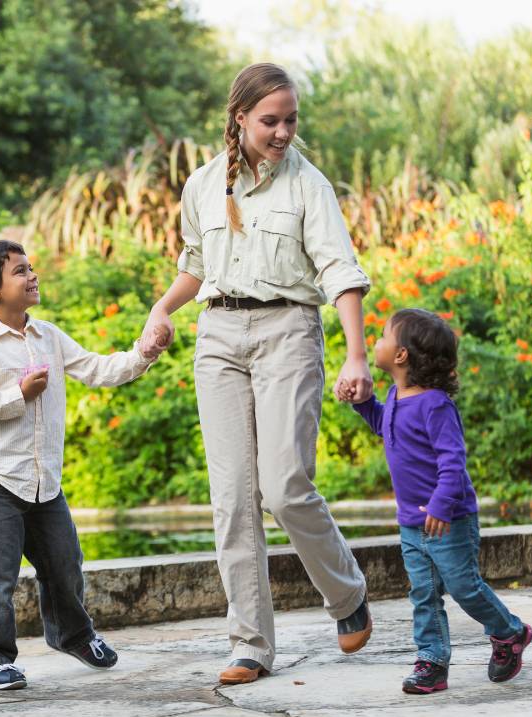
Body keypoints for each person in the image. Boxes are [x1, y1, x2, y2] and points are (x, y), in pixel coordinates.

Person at [140, 62, 374, 685]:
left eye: (290, 119)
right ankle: (250, 643)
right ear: (240, 118)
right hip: (217, 336)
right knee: (233, 500)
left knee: (286, 486)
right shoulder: (202, 185)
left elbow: (340, 271)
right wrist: (162, 311)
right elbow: (195, 265)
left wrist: (356, 354)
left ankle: (346, 594)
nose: (282, 132)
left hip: (287, 332)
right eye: (270, 120)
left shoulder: (308, 185)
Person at [0, 240, 164, 690]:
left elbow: (99, 369)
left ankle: (73, 635)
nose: (33, 276)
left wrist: (145, 351)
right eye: (20, 271)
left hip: (44, 481)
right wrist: (17, 397)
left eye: (31, 268)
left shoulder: (49, 335)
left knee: (65, 565)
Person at [346, 308, 532, 694]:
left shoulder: (435, 405)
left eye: (382, 336)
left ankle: (510, 632)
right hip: (412, 522)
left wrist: (441, 505)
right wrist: (363, 404)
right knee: (423, 592)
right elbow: (386, 426)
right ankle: (432, 660)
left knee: (464, 586)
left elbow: (453, 461)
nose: (375, 342)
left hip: (448, 519)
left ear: (401, 355)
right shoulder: (398, 395)